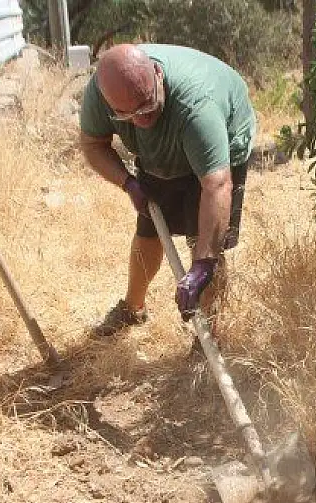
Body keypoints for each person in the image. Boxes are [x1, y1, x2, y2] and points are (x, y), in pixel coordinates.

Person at [77, 43, 256, 342]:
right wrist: (126, 182)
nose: (141, 119)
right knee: (148, 231)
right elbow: (93, 145)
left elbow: (216, 184)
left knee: (205, 242)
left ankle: (208, 335)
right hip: (160, 150)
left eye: (148, 106)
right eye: (128, 115)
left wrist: (202, 265)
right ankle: (131, 309)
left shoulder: (196, 107)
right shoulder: (102, 93)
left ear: (158, 75)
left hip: (220, 146)